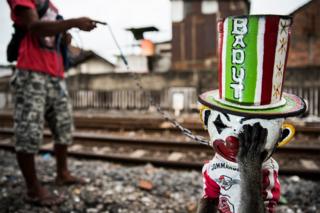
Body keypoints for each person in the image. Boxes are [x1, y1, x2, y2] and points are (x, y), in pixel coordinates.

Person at [196, 15, 306, 213]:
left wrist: (250, 165)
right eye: (221, 125)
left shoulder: (267, 173)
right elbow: (209, 198)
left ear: (283, 135)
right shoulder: (212, 168)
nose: (232, 140)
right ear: (205, 119)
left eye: (250, 131)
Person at [7, 0, 98, 206]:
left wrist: (63, 36)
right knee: (28, 131)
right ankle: (32, 189)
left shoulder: (51, 6)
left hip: (56, 74)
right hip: (31, 72)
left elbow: (51, 32)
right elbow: (35, 28)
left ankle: (62, 173)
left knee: (64, 126)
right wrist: (73, 22)